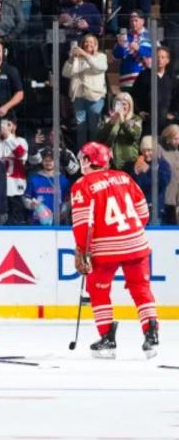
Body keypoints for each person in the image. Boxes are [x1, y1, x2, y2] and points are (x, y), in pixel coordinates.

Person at [70, 142, 159, 359]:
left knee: (98, 290)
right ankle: (151, 334)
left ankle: (107, 338)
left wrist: (82, 252)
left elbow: (83, 225)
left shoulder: (82, 185)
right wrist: (130, 233)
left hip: (106, 250)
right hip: (136, 244)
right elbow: (143, 213)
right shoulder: (125, 177)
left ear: (89, 161)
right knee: (141, 289)